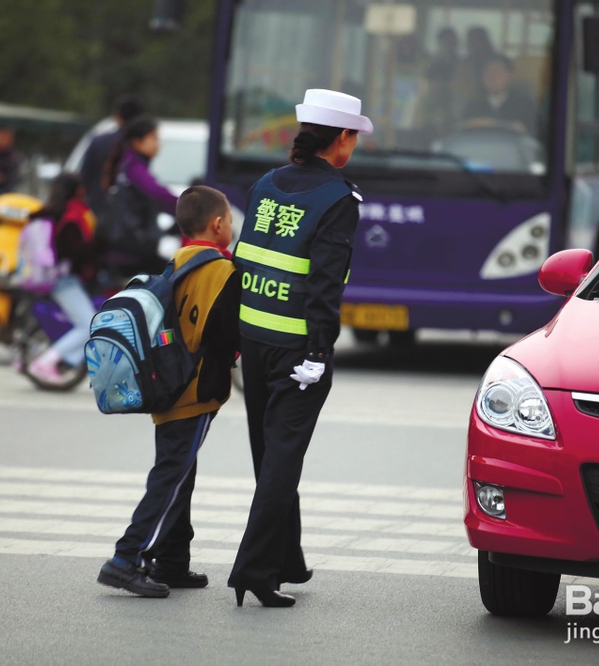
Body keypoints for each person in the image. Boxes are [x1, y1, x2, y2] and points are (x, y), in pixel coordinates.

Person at [228, 89, 370, 608]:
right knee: (283, 459)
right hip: (295, 349)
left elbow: (243, 261)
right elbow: (325, 283)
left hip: (253, 338)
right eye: (353, 136)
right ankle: (254, 570)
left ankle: (285, 560)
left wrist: (232, 340)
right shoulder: (338, 199)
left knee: (269, 456)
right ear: (342, 140)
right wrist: (318, 351)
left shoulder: (266, 184)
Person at [97, 185, 240, 598]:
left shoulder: (176, 261)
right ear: (217, 224)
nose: (230, 225)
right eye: (229, 219)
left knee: (181, 472)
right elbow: (228, 333)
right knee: (171, 478)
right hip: (192, 393)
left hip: (168, 385)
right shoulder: (222, 271)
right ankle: (126, 559)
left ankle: (173, 561)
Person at [24, 173, 99, 386]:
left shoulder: (50, 213)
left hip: (54, 279)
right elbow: (71, 250)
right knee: (89, 326)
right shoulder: (71, 216)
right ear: (76, 190)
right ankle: (46, 362)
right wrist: (96, 248)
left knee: (83, 323)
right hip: (65, 281)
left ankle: (38, 360)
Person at [99, 115, 179, 276]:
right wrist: (190, 209)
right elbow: (158, 194)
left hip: (129, 246)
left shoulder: (130, 164)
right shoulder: (134, 167)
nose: (158, 144)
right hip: (131, 250)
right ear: (137, 142)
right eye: (154, 138)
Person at [81, 95, 143, 217]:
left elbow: (84, 176)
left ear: (117, 116)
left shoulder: (98, 141)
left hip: (98, 209)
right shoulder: (140, 145)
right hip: (130, 215)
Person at [464, 55, 538, 135]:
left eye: (497, 71)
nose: (491, 76)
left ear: (509, 76)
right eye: (487, 71)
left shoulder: (524, 104)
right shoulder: (474, 104)